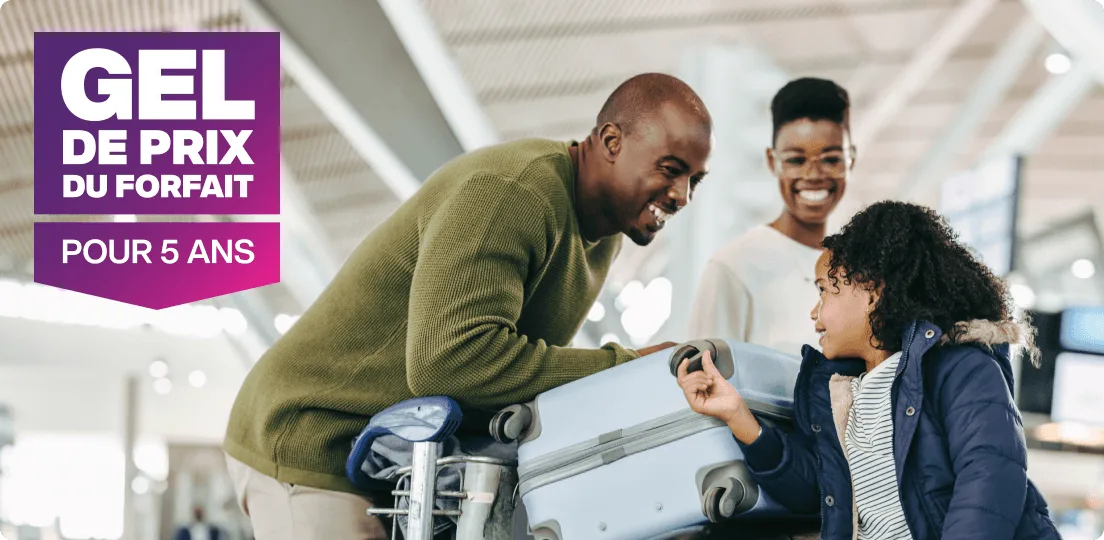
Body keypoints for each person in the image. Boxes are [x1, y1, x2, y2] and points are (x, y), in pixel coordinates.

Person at [222, 72, 714, 539]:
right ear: (611, 142)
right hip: (314, 435)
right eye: (671, 170)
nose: (683, 196)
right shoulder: (512, 193)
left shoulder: (603, 235)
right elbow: (450, 362)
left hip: (393, 458)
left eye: (695, 180)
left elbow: (513, 373)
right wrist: (623, 369)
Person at [677, 201, 1061, 539]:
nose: (815, 311)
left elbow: (989, 483)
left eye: (827, 290)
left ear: (873, 290)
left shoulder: (961, 368)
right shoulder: (842, 392)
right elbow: (814, 491)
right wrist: (736, 413)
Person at [688, 78, 853, 354]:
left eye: (831, 159)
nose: (813, 176)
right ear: (771, 161)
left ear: (851, 160)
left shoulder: (860, 268)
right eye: (795, 160)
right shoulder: (734, 267)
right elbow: (701, 384)